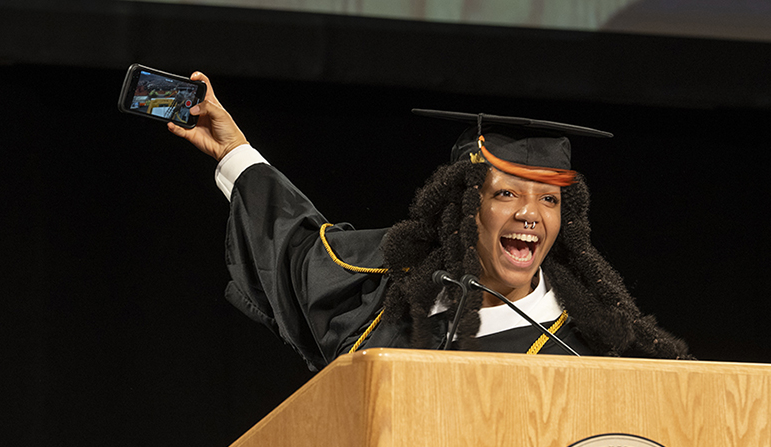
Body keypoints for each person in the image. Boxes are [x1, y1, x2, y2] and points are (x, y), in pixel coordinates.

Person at [168, 73, 691, 371]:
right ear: (464, 211)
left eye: (549, 201)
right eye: (507, 193)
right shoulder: (384, 302)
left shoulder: (590, 350)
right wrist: (234, 152)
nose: (530, 214)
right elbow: (293, 250)